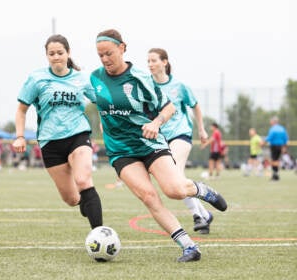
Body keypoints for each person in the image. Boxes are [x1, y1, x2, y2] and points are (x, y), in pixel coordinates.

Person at [91, 29, 227, 262]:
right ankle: (189, 247)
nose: (104, 59)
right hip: (121, 151)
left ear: (122, 48)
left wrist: (156, 122)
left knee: (175, 190)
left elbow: (169, 108)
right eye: (100, 55)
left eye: (109, 53)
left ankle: (201, 190)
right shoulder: (95, 78)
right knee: (149, 196)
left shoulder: (141, 79)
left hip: (150, 144)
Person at [12, 34, 103, 230]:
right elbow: (21, 110)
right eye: (51, 53)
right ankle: (84, 201)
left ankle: (99, 234)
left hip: (78, 135)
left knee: (83, 179)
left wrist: (105, 121)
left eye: (60, 53)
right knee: (71, 199)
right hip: (50, 142)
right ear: (46, 56)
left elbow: (101, 102)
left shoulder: (82, 79)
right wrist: (19, 136)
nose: (56, 57)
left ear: (68, 53)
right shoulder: (37, 79)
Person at [147, 48, 214, 234]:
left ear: (165, 62)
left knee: (175, 173)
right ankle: (205, 214)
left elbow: (195, 106)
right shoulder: (147, 86)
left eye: (154, 60)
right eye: (149, 61)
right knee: (175, 180)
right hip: (161, 139)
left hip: (181, 135)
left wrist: (201, 129)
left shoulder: (179, 86)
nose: (150, 64)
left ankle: (198, 215)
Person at [262, 116, 289, 181]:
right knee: (276, 160)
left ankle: (275, 175)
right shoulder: (282, 128)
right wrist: (285, 147)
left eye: (271, 121)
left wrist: (263, 143)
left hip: (274, 146)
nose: (270, 122)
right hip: (281, 146)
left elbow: (270, 137)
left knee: (274, 160)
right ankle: (276, 174)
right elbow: (285, 138)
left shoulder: (273, 129)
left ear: (274, 122)